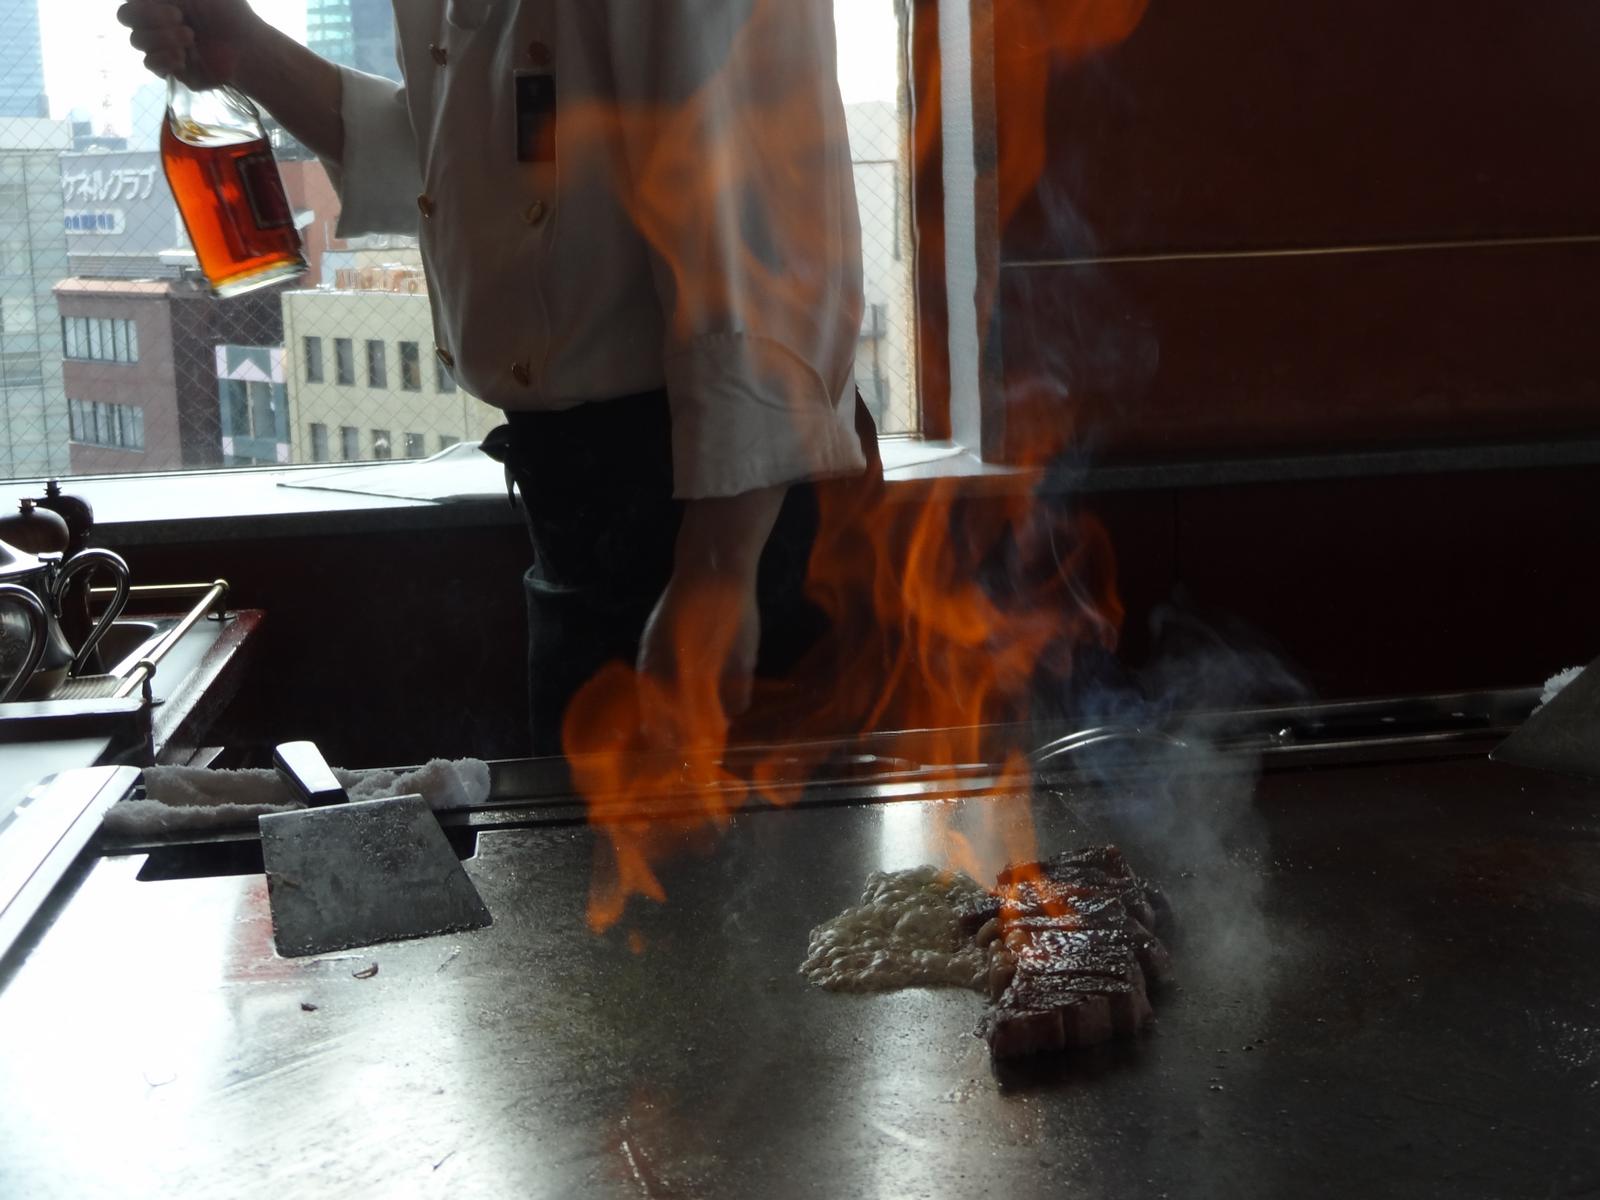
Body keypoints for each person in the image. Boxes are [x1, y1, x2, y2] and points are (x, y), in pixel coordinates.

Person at [120, 0, 881, 755]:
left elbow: (768, 221)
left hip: (732, 504)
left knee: (758, 862)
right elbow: (471, 159)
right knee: (590, 851)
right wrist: (246, 49)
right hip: (580, 504)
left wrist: (719, 567)